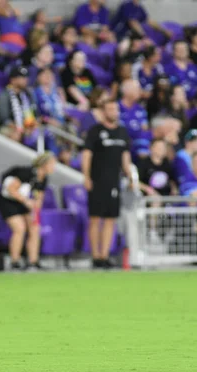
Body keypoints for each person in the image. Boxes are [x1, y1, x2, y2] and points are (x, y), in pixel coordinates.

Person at [82, 99, 133, 269]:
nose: (114, 112)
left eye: (115, 109)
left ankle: (104, 255)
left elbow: (125, 157)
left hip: (114, 182)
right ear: (103, 112)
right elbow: (87, 155)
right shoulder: (95, 131)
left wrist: (130, 176)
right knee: (95, 218)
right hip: (97, 181)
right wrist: (86, 177)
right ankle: (95, 256)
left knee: (111, 219)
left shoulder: (122, 132)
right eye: (110, 109)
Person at [0, 152, 56, 270]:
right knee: (19, 228)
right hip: (8, 201)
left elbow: (39, 197)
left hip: (25, 203)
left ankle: (33, 261)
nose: (54, 167)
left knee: (35, 228)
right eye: (52, 164)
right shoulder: (27, 173)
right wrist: (26, 201)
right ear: (44, 164)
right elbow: (11, 189)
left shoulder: (43, 178)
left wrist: (35, 211)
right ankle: (15, 261)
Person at [0, 65, 38, 143]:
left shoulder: (28, 94)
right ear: (13, 80)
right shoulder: (4, 95)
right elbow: (4, 119)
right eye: (22, 77)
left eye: (26, 77)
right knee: (15, 134)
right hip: (10, 127)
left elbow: (35, 114)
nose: (25, 80)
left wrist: (32, 126)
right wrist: (20, 128)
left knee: (44, 133)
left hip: (27, 126)